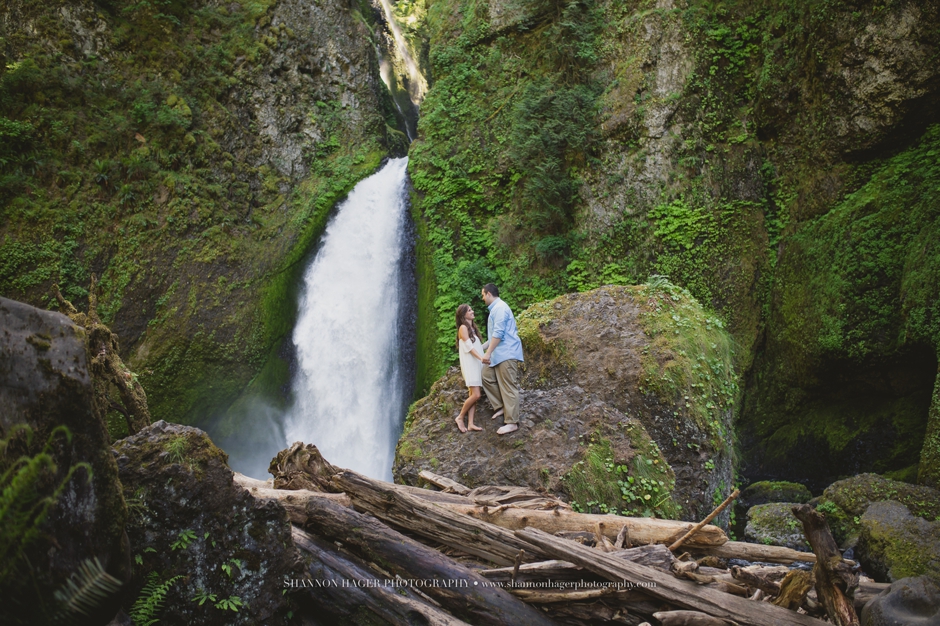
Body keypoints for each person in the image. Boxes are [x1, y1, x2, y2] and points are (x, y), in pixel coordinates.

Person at [480, 283, 524, 435]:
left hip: (506, 353)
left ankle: (512, 422)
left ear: (489, 294)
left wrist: (487, 353)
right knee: (485, 375)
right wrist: (479, 348)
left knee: (508, 386)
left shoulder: (500, 308)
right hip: (498, 354)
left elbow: (498, 334)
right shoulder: (495, 310)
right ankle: (501, 407)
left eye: (483, 295)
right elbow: (492, 337)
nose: (482, 298)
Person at [454, 304, 484, 433]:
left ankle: (471, 423)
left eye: (472, 309)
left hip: (476, 364)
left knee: (473, 394)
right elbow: (469, 347)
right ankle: (460, 417)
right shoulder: (463, 328)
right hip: (471, 365)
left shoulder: (472, 329)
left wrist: (494, 342)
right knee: (476, 395)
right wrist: (482, 359)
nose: (472, 311)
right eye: (469, 310)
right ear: (463, 315)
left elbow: (478, 347)